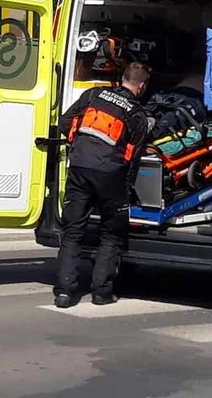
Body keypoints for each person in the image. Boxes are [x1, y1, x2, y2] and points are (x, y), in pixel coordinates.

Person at [53, 61, 153, 308]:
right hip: (111, 176)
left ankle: (64, 292)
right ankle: (102, 292)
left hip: (79, 168)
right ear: (141, 86)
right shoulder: (136, 114)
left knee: (72, 231)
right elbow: (134, 158)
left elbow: (65, 122)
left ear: (122, 78)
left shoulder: (93, 95)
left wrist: (79, 148)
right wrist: (126, 190)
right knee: (111, 233)